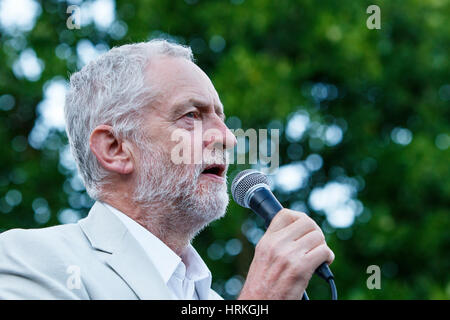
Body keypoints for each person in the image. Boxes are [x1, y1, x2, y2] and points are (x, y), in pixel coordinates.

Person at [0, 39, 334, 299]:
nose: (228, 138)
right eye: (191, 115)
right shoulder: (29, 261)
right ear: (115, 149)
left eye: (222, 118)